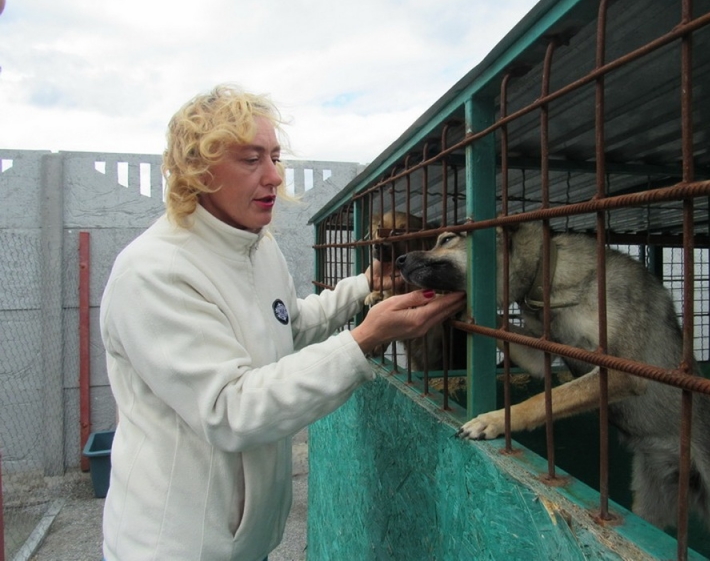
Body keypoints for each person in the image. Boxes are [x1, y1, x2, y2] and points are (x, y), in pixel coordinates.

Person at [99, 84, 465, 560]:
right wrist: (365, 340)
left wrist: (363, 286)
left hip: (244, 543)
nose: (274, 176)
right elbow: (229, 409)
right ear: (198, 171)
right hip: (178, 546)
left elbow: (285, 325)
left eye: (275, 157)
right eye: (251, 160)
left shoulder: (255, 245)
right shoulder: (153, 274)